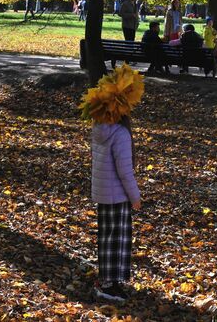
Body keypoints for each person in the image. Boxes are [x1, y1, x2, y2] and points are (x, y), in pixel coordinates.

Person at [79, 65, 144, 302]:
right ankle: (108, 283)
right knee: (117, 241)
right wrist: (135, 196)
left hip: (104, 194)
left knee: (107, 238)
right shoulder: (120, 134)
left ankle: (108, 279)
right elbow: (125, 171)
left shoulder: (99, 128)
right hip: (117, 195)